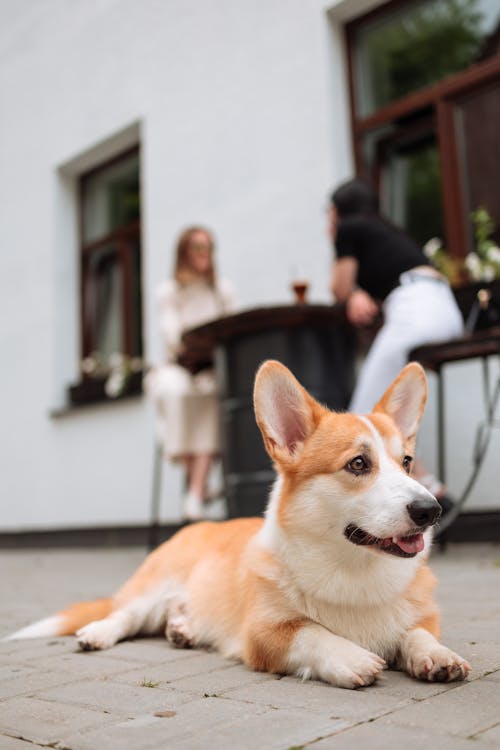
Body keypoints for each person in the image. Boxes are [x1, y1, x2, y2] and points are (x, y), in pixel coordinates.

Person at [329, 178, 463, 503]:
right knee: (385, 411)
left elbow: (338, 288)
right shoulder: (387, 232)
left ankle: (425, 487)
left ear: (338, 211)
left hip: (414, 310)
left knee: (362, 415)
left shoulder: (349, 229)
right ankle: (427, 484)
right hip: (444, 308)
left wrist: (354, 291)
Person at [145, 226, 236, 521]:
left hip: (209, 371)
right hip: (178, 367)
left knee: (212, 396)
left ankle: (195, 491)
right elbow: (172, 336)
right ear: (184, 252)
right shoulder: (169, 291)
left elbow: (230, 327)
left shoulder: (221, 289)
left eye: (208, 247)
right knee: (175, 392)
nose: (204, 254)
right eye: (197, 247)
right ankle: (201, 484)